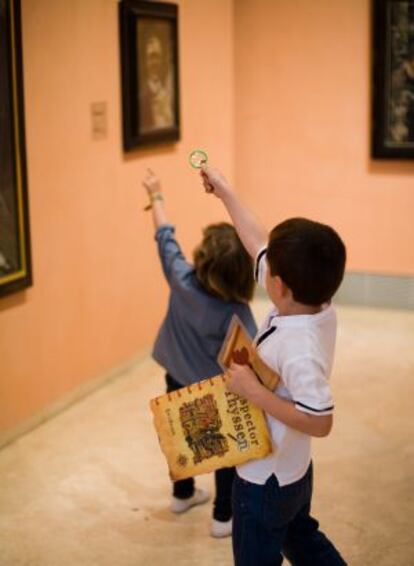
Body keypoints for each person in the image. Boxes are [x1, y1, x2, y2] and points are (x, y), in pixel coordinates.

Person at [200, 167, 347, 565]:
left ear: (278, 286)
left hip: (263, 480)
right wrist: (225, 192)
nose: (262, 264)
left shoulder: (299, 346)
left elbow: (321, 420)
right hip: (292, 471)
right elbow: (257, 242)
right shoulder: (316, 304)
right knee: (301, 538)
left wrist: (254, 392)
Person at [142, 169, 258, 538]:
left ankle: (182, 494)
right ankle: (223, 517)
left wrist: (156, 194)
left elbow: (165, 236)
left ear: (203, 258)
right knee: (224, 452)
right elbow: (251, 357)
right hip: (215, 388)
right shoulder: (238, 313)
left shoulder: (180, 278)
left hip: (175, 374)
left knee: (183, 434)